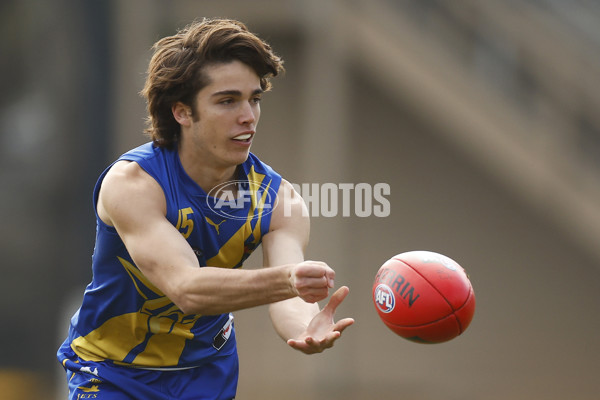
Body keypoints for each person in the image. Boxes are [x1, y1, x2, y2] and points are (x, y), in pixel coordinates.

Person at [57, 17, 354, 400]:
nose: (248, 116)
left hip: (206, 375)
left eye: (254, 99)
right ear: (182, 112)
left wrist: (304, 326)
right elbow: (188, 288)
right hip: (113, 372)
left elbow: (289, 292)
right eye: (227, 101)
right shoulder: (133, 184)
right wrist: (288, 280)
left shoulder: (279, 200)